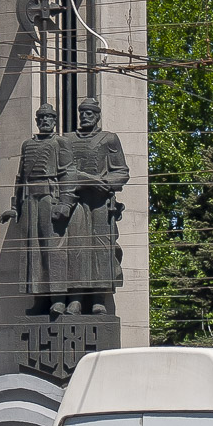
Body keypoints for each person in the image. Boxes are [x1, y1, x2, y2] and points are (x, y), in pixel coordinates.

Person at [57, 97, 128, 315]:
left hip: (100, 202)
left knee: (101, 248)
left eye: (90, 113)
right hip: (76, 200)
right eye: (82, 113)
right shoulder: (67, 140)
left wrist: (105, 184)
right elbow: (60, 171)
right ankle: (76, 299)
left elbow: (122, 172)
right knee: (76, 249)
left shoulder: (109, 139)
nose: (85, 117)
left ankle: (99, 298)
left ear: (97, 116)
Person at [0, 103, 72, 315]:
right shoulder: (27, 145)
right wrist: (15, 206)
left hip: (50, 197)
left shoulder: (61, 143)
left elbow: (68, 174)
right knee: (34, 251)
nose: (45, 121)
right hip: (30, 200)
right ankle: (40, 299)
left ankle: (58, 299)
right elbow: (20, 178)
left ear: (54, 120)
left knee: (53, 249)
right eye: (41, 118)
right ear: (36, 121)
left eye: (49, 117)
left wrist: (65, 203)